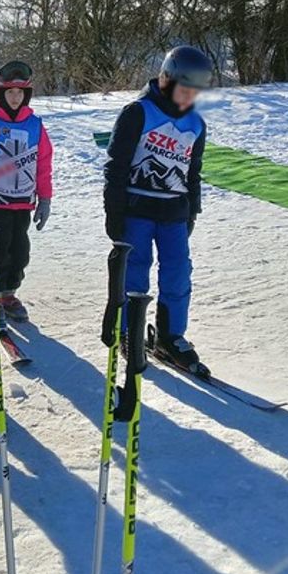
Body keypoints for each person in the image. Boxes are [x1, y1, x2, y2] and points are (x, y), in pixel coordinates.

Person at [103, 46, 211, 374]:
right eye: (183, 89)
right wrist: (114, 211)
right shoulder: (138, 112)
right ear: (166, 79)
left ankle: (170, 335)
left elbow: (193, 170)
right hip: (137, 209)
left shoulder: (196, 124)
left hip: (174, 213)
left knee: (178, 273)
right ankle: (127, 331)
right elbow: (116, 165)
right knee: (135, 271)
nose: (187, 97)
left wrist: (193, 209)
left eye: (194, 92)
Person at [0, 60, 54, 324]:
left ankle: (8, 294)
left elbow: (44, 163)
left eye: (19, 93)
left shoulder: (34, 125)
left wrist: (45, 198)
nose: (14, 98)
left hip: (22, 203)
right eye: (9, 92)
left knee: (19, 251)